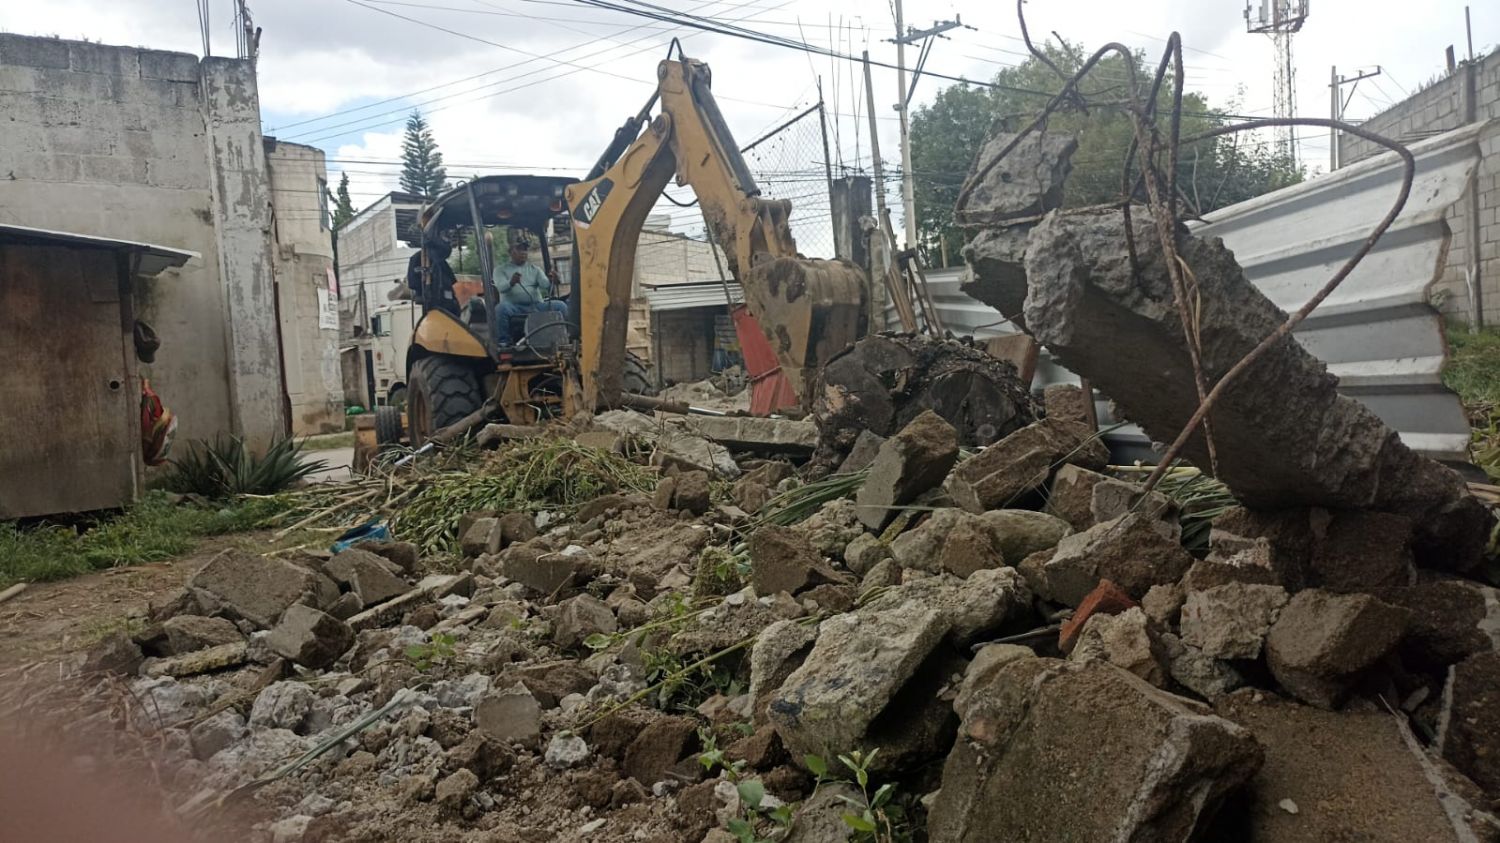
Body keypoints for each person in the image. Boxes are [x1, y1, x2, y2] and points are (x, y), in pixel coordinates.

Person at [495, 233, 565, 345]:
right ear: (511, 252)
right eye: (519, 249)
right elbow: (501, 287)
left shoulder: (534, 269)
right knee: (501, 308)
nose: (523, 252)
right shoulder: (500, 270)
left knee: (560, 305)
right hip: (514, 308)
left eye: (525, 250)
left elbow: (545, 285)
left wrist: (553, 280)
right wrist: (511, 282)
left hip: (536, 306)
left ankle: (567, 337)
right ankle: (504, 342)